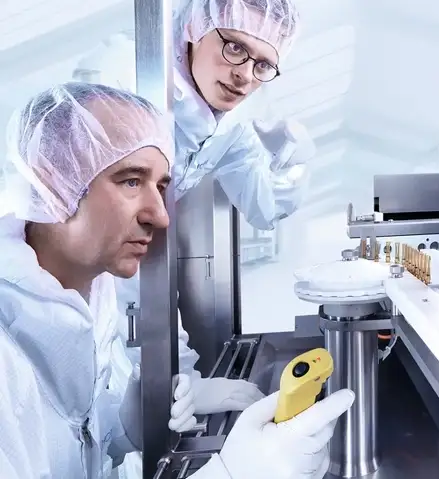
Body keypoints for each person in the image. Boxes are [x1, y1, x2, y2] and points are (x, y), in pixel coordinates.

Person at [0, 82, 355, 479]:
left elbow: (72, 442)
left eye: (161, 186)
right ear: (54, 180)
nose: (160, 215)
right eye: (131, 181)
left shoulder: (87, 295)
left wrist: (126, 426)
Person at [72, 0, 314, 432]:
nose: (244, 74)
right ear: (195, 29)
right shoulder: (128, 77)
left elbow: (263, 208)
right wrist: (177, 371)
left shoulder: (231, 123)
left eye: (263, 64)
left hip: (122, 297)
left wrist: (287, 160)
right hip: (72, 291)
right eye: (234, 48)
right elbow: (110, 241)